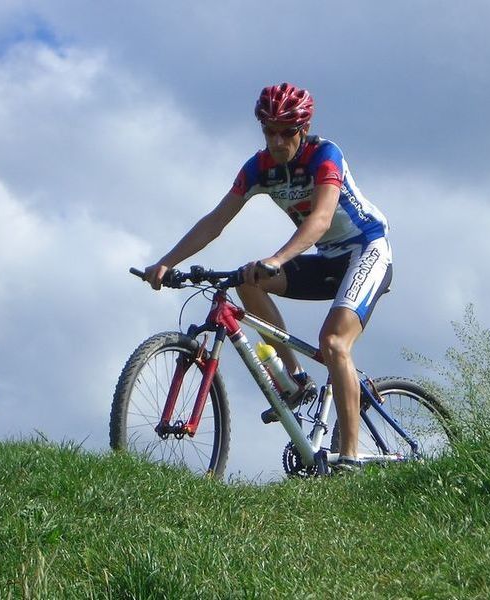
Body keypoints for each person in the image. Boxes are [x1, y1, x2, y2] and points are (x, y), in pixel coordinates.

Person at [142, 82, 392, 473]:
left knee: (333, 342)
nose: (277, 141)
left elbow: (321, 218)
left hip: (366, 250)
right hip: (327, 258)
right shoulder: (259, 168)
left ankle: (350, 459)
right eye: (269, 131)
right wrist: (166, 262)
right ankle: (295, 378)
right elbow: (215, 221)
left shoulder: (325, 155)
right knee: (247, 281)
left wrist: (277, 258)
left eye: (286, 132)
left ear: (303, 129)